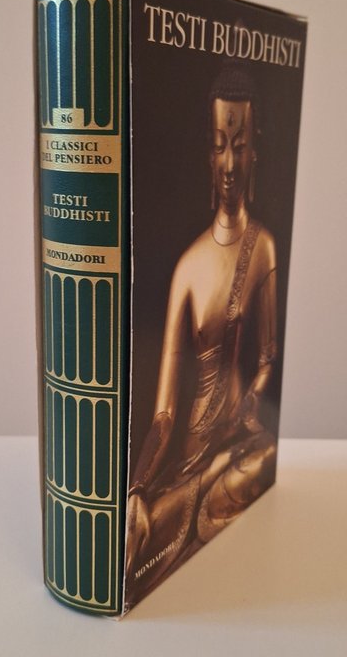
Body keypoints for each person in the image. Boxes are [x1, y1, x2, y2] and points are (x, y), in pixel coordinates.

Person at [126, 63, 277, 599]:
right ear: (208, 156)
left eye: (240, 146)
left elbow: (267, 360)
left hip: (237, 445)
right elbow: (164, 415)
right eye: (219, 146)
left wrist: (253, 398)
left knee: (261, 461)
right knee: (142, 528)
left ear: (254, 153)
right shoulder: (188, 268)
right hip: (190, 456)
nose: (230, 163)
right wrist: (138, 487)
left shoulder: (262, 248)